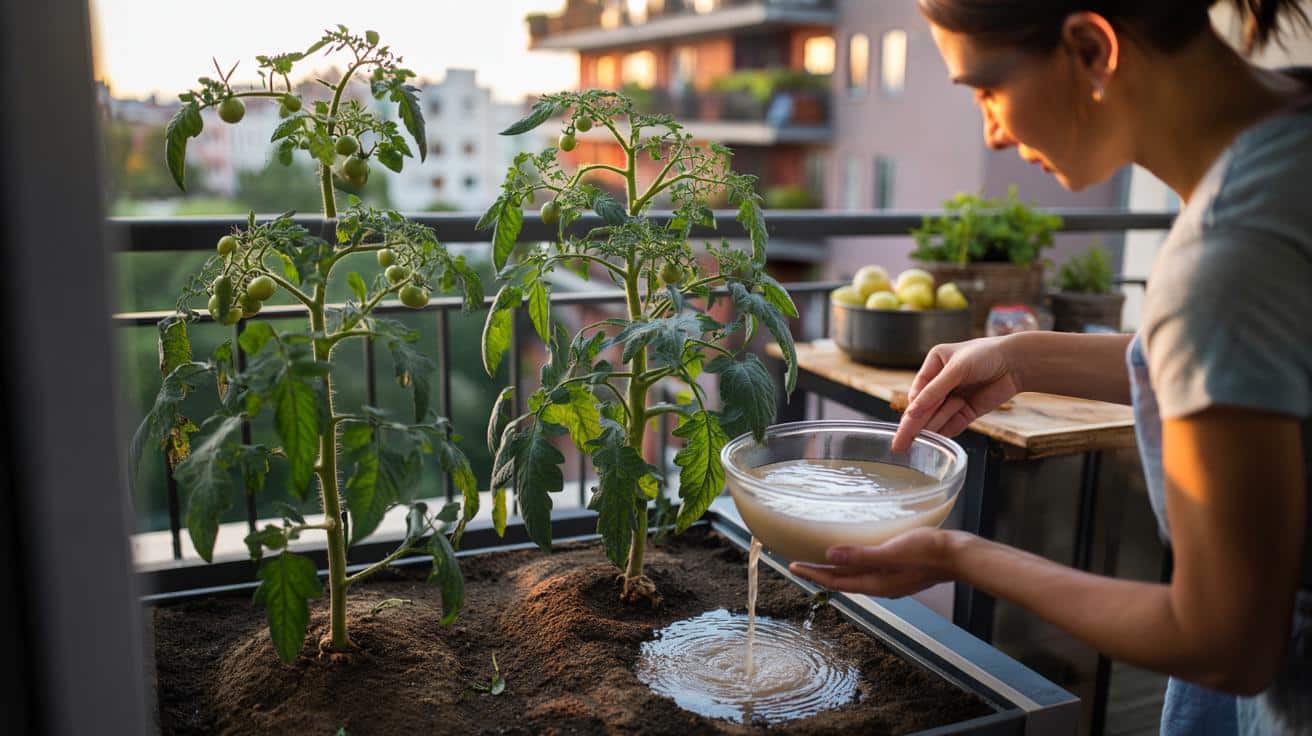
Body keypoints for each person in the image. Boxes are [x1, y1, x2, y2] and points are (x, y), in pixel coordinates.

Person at [788, 2, 1312, 733]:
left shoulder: (1225, 260)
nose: (993, 133)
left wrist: (960, 555)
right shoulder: (1291, 134)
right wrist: (1023, 356)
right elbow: (1267, 363)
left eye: (987, 90)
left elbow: (1226, 642)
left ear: (1092, 47)